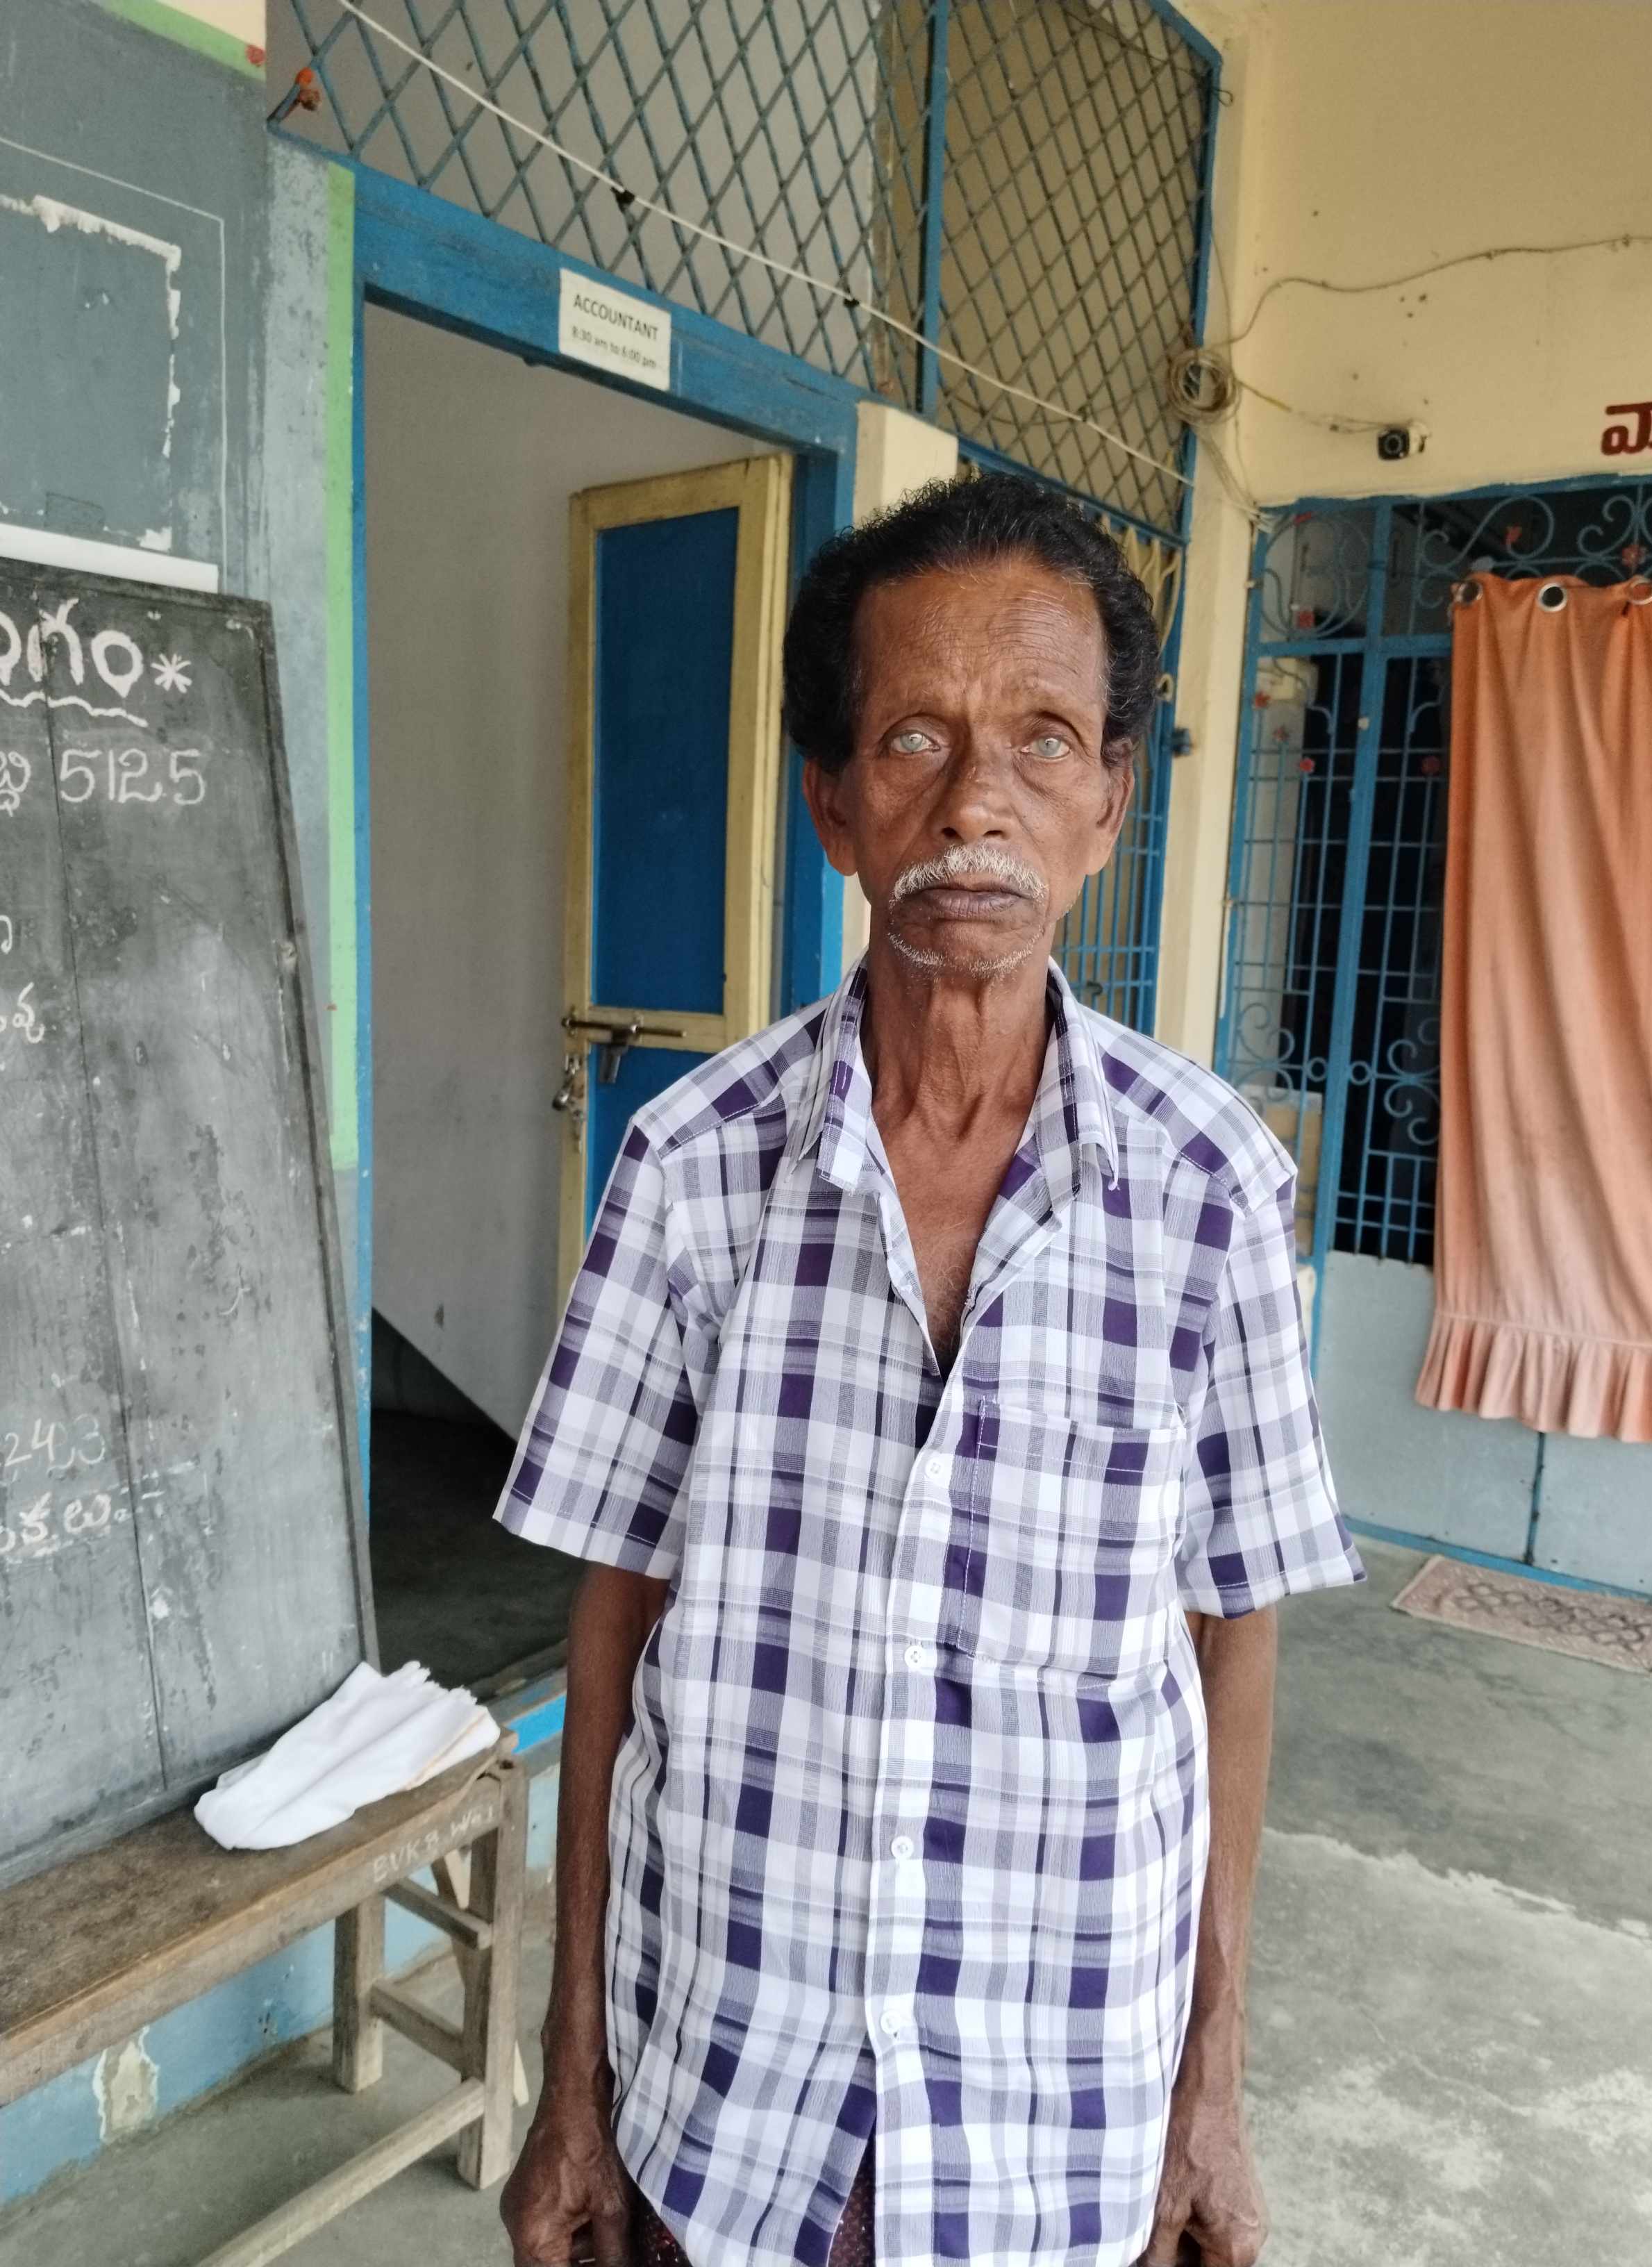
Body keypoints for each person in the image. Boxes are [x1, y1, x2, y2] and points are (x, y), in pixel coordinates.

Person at [497, 473, 1362, 2267]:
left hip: (1057, 2121)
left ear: (1111, 799)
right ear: (832, 801)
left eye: (1044, 740)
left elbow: (1234, 1636)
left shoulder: (1211, 1192)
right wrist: (572, 2080)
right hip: (728, 2100)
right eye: (912, 738)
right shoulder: (689, 1169)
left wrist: (1211, 2091)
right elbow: (613, 1625)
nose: (977, 803)